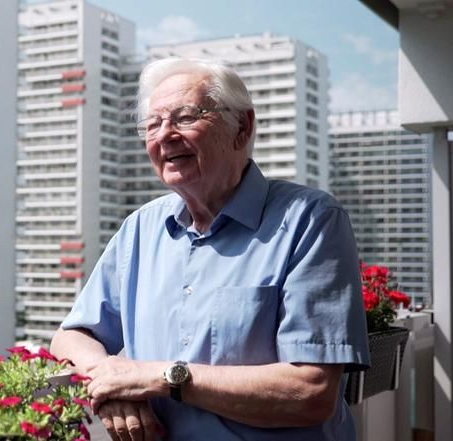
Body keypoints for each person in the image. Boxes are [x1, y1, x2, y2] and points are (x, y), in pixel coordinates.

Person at [50, 58, 370, 441]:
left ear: (242, 127)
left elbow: (311, 393)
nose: (164, 135)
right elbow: (73, 335)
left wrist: (161, 378)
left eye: (185, 117)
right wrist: (111, 382)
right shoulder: (141, 228)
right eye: (152, 124)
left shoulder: (310, 221)